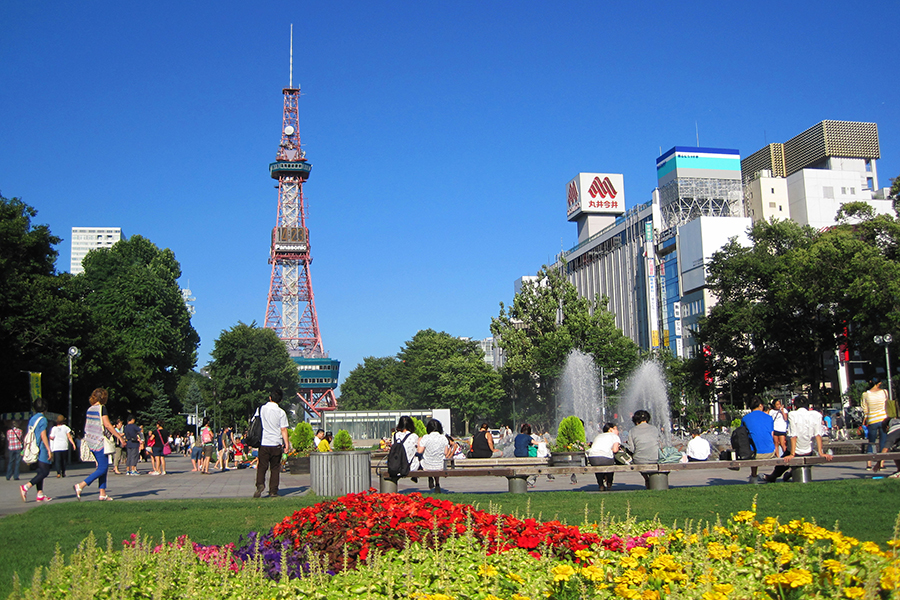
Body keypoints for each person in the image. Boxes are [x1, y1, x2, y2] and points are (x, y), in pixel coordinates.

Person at [764, 395, 833, 483]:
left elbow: (793, 435)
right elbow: (818, 435)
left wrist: (792, 454)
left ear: (795, 406)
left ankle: (773, 476)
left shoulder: (793, 414)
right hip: (808, 451)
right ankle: (790, 474)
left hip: (795, 450)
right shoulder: (816, 415)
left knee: (783, 462)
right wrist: (821, 452)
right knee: (802, 456)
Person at [73, 388, 127, 501]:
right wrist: (119, 437)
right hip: (99, 442)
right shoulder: (102, 408)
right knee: (102, 468)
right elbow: (107, 425)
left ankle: (102, 493)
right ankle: (81, 485)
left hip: (90, 441)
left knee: (103, 467)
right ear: (104, 397)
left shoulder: (90, 409)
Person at [254, 387, 291, 498]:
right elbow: (283, 429)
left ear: (270, 397)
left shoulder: (261, 409)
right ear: (280, 400)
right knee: (275, 468)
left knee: (262, 466)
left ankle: (260, 484)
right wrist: (287, 444)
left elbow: (255, 422)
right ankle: (273, 491)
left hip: (264, 442)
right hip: (276, 443)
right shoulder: (281, 412)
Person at [20, 397, 54, 502]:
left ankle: (40, 494)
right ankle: (26, 487)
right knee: (45, 472)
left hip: (33, 448)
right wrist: (48, 449)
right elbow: (43, 435)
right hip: (41, 448)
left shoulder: (33, 418)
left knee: (40, 471)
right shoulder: (43, 419)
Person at [624, 410, 661, 489]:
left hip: (640, 460)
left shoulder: (632, 430)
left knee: (637, 457)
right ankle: (651, 480)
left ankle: (646, 478)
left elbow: (632, 449)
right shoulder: (654, 429)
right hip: (655, 458)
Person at [742, 397, 776, 483]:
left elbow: (743, 436)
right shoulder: (769, 418)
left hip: (755, 454)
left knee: (751, 444)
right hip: (770, 452)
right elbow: (772, 435)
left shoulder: (745, 418)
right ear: (761, 406)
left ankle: (754, 476)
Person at [417, 419, 451, 492]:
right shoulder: (443, 438)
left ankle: (430, 477)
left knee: (425, 458)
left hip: (426, 465)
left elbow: (419, 451)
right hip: (440, 465)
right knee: (437, 460)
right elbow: (445, 452)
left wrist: (419, 441)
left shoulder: (426, 437)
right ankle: (437, 483)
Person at [862, 377, 889, 469]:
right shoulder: (884, 392)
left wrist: (865, 418)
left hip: (872, 420)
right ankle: (881, 464)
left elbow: (865, 408)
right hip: (883, 419)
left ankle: (869, 464)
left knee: (871, 442)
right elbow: (887, 405)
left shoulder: (865, 394)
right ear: (879, 383)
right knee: (883, 442)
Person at [587, 422, 620, 491]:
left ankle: (601, 485)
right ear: (610, 430)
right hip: (605, 459)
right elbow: (615, 450)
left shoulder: (598, 436)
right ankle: (609, 483)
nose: (618, 431)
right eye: (616, 429)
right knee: (611, 467)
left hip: (592, 458)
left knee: (597, 468)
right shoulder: (614, 436)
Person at [392, 416, 421, 481]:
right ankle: (415, 476)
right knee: (419, 455)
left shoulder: (395, 435)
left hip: (396, 466)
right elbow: (418, 450)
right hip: (411, 467)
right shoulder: (414, 436)